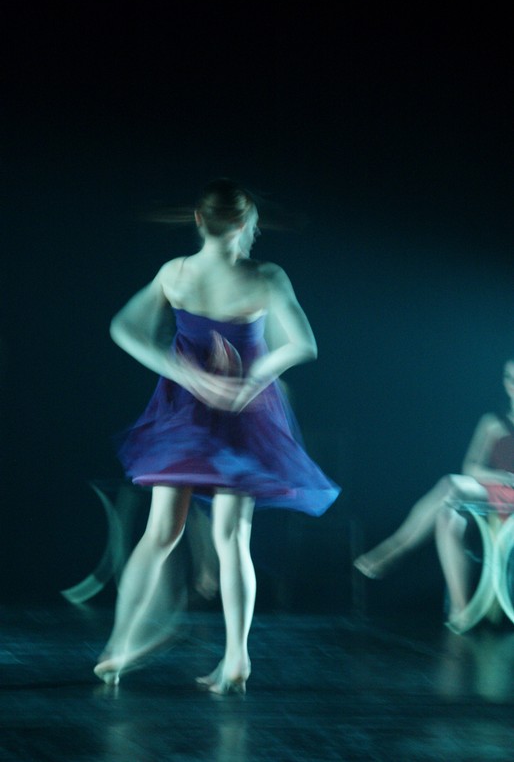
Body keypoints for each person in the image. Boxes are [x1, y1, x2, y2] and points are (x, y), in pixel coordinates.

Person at [94, 179, 340, 692]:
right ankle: (235, 659)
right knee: (232, 540)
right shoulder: (265, 276)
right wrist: (251, 379)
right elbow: (304, 344)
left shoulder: (176, 273)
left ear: (199, 220)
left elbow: (123, 327)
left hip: (183, 416)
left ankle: (117, 647)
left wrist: (183, 373)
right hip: (239, 418)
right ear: (247, 224)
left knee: (160, 534)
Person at [354, 358, 514, 629]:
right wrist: (504, 477)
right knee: (448, 513)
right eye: (509, 378)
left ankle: (396, 549)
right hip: (495, 490)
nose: (513, 384)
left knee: (451, 487)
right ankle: (461, 611)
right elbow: (471, 466)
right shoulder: (493, 423)